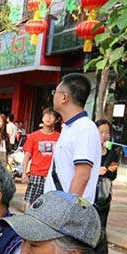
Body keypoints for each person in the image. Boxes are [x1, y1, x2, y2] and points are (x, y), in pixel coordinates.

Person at [45, 73, 102, 202]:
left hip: (67, 210)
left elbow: (82, 175)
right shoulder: (69, 127)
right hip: (56, 206)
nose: (53, 96)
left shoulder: (84, 128)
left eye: (55, 92)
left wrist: (67, 209)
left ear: (64, 97)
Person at [94, 119, 121, 254]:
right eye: (101, 132)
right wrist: (96, 171)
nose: (104, 135)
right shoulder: (88, 151)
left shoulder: (112, 154)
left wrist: (110, 171)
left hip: (102, 195)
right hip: (87, 193)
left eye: (107, 132)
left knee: (101, 227)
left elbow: (113, 176)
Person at [22, 108, 60, 205]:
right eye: (46, 115)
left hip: (52, 176)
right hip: (36, 174)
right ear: (42, 118)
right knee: (30, 204)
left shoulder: (60, 137)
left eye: (52, 116)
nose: (48, 118)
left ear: (56, 120)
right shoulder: (34, 136)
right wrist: (24, 173)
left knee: (49, 204)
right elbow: (27, 156)